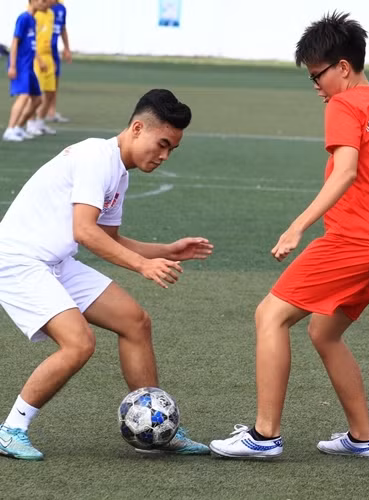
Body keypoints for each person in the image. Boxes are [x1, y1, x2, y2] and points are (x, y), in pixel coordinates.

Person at [209, 11, 369, 459]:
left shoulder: (345, 105)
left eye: (317, 75)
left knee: (270, 316)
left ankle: (264, 436)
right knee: (324, 332)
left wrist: (297, 226)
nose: (316, 86)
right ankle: (362, 438)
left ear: (343, 67)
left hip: (355, 241)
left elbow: (344, 172)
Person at [0, 89, 213, 460]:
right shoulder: (96, 157)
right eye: (162, 144)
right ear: (137, 128)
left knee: (135, 321)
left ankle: (156, 425)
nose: (164, 156)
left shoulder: (119, 172)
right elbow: (85, 232)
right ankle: (11, 429)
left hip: (55, 261)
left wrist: (167, 250)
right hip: (18, 259)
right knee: (78, 343)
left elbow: (109, 238)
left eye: (172, 149)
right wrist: (143, 265)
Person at [2, 0, 48, 142]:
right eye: (43, 1)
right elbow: (15, 42)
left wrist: (39, 60)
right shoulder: (23, 18)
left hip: (29, 67)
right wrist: (12, 66)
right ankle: (9, 130)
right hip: (20, 65)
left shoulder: (33, 20)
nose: (45, 4)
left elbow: (31, 44)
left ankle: (18, 128)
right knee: (24, 95)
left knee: (38, 99)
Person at [26, 0, 58, 136]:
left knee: (50, 92)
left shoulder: (51, 14)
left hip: (48, 57)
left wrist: (52, 58)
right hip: (36, 58)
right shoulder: (34, 14)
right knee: (35, 93)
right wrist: (38, 59)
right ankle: (30, 123)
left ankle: (40, 122)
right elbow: (30, 40)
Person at [46, 0, 72, 123]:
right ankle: (36, 114)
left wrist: (66, 48)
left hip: (53, 50)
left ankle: (51, 111)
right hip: (42, 51)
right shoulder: (42, 7)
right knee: (40, 83)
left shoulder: (61, 8)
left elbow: (62, 28)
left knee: (54, 82)